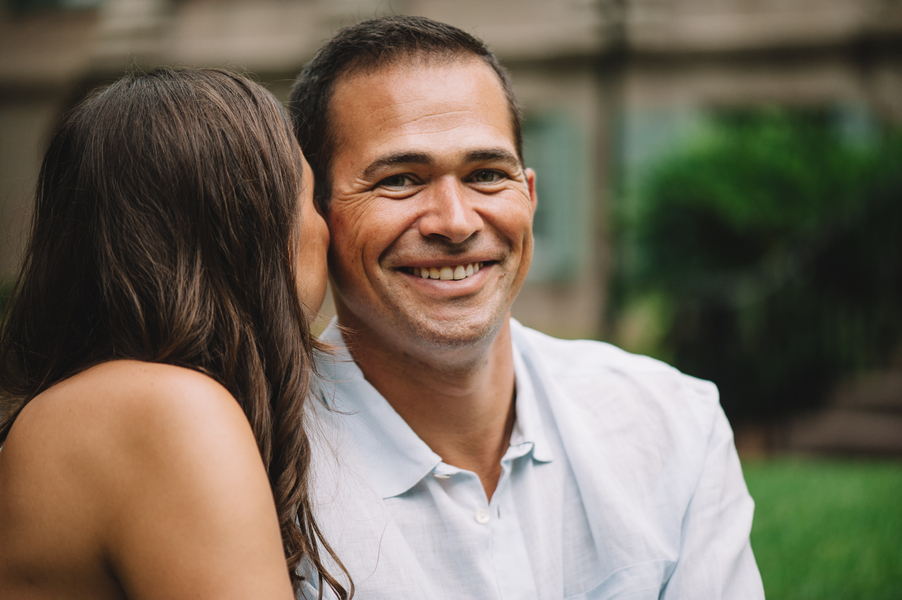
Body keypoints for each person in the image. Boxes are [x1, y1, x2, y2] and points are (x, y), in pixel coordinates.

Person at [289, 15, 765, 599]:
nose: (457, 222)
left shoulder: (673, 426)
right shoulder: (262, 466)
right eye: (400, 180)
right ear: (315, 216)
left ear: (530, 196)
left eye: (487, 174)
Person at [0, 68, 350, 600]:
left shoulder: (95, 401)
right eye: (312, 201)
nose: (331, 227)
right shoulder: (163, 409)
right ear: (251, 231)